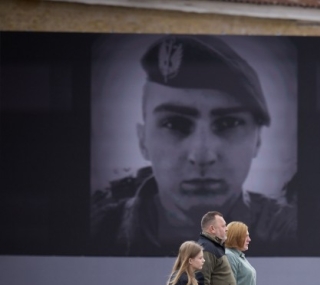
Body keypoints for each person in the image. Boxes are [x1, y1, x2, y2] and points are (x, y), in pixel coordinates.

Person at [91, 35, 296, 256]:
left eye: (228, 123)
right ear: (143, 140)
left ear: (257, 140)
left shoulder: (291, 231)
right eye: (173, 123)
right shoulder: (96, 231)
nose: (202, 156)